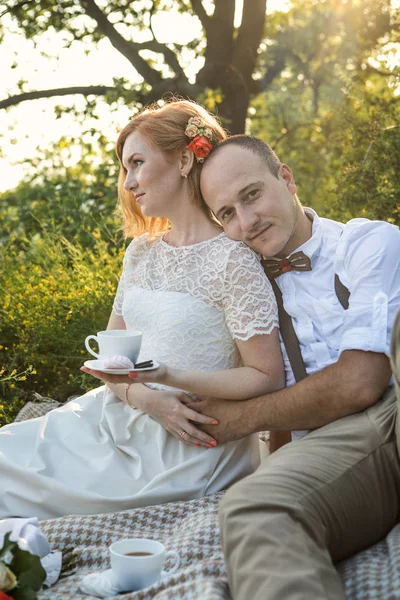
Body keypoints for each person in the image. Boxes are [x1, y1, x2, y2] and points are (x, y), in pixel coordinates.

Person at [0, 102, 284, 520]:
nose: (129, 182)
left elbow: (266, 375)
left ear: (185, 159)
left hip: (182, 447)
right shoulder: (140, 252)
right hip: (116, 415)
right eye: (125, 168)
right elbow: (110, 359)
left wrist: (167, 390)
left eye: (137, 163)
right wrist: (144, 398)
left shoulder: (233, 260)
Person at [191, 134, 400, 600]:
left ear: (285, 177)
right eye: (227, 213)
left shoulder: (368, 243)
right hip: (344, 450)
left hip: (393, 401)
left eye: (251, 195)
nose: (246, 222)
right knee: (252, 507)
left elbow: (362, 382)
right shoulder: (245, 292)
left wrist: (242, 420)